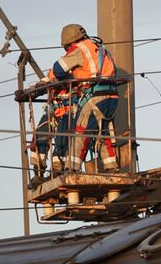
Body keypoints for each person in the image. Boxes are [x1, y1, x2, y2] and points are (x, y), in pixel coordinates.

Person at [49, 23, 119, 170]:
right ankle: (111, 166)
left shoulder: (78, 49)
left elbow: (58, 69)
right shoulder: (99, 48)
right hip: (112, 96)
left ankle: (71, 168)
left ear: (69, 43)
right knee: (103, 130)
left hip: (94, 95)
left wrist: (71, 76)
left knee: (81, 130)